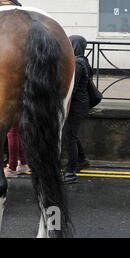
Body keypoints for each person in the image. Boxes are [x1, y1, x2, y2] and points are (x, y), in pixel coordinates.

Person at [63, 35, 92, 184]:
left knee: (70, 137)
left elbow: (71, 89)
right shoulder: (82, 61)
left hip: (75, 105)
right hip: (80, 104)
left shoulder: (78, 63)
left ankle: (71, 172)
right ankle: (82, 160)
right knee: (71, 134)